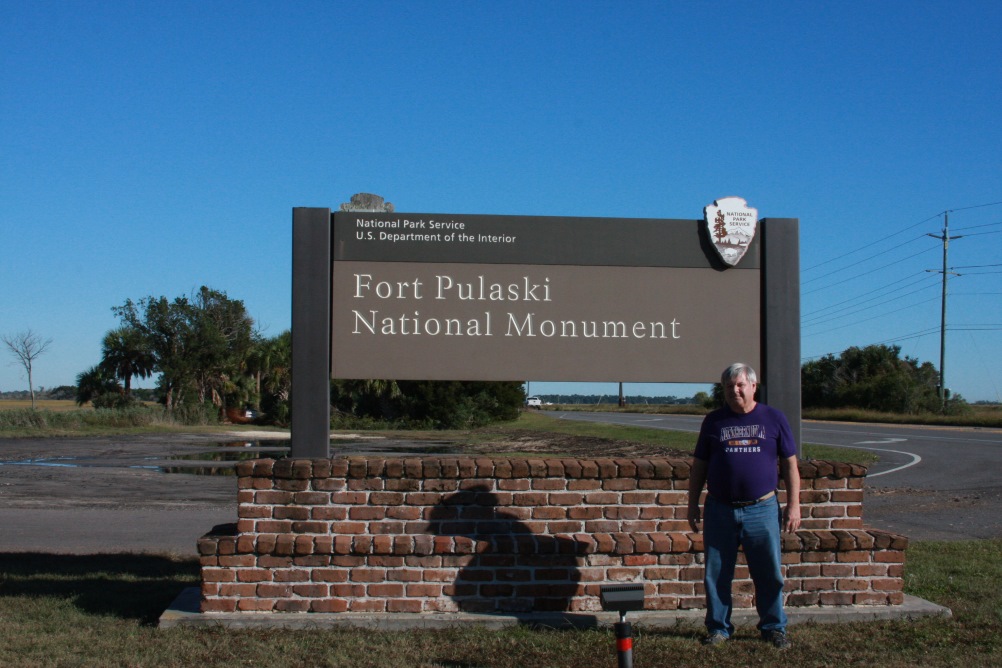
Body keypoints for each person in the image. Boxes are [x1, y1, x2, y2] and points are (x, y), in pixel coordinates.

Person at [687, 362, 801, 649]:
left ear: (753, 386)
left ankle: (774, 627)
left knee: (768, 572)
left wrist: (793, 505)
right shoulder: (714, 421)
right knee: (716, 574)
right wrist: (692, 504)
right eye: (728, 386)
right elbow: (699, 466)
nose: (734, 390)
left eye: (739, 385)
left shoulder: (774, 418)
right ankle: (718, 628)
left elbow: (789, 464)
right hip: (719, 508)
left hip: (762, 508)